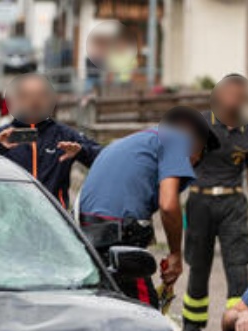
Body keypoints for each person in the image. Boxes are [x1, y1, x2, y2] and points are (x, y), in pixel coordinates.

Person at [77, 106, 220, 306]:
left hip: (87, 233)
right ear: (197, 145)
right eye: (200, 157)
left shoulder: (134, 141)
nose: (194, 163)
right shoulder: (178, 140)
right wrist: (175, 255)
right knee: (146, 316)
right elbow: (168, 205)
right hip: (117, 238)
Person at [180, 74, 248, 331]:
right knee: (199, 266)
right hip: (200, 202)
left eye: (240, 94)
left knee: (238, 267)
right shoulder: (200, 125)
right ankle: (192, 327)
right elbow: (180, 161)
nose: (234, 99)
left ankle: (237, 325)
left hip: (233, 204)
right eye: (229, 93)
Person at [0, 73, 102, 208]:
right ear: (17, 99)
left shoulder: (64, 135)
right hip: (10, 219)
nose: (35, 101)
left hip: (53, 220)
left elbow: (104, 159)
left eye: (41, 95)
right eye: (27, 96)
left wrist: (81, 152)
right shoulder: (2, 137)